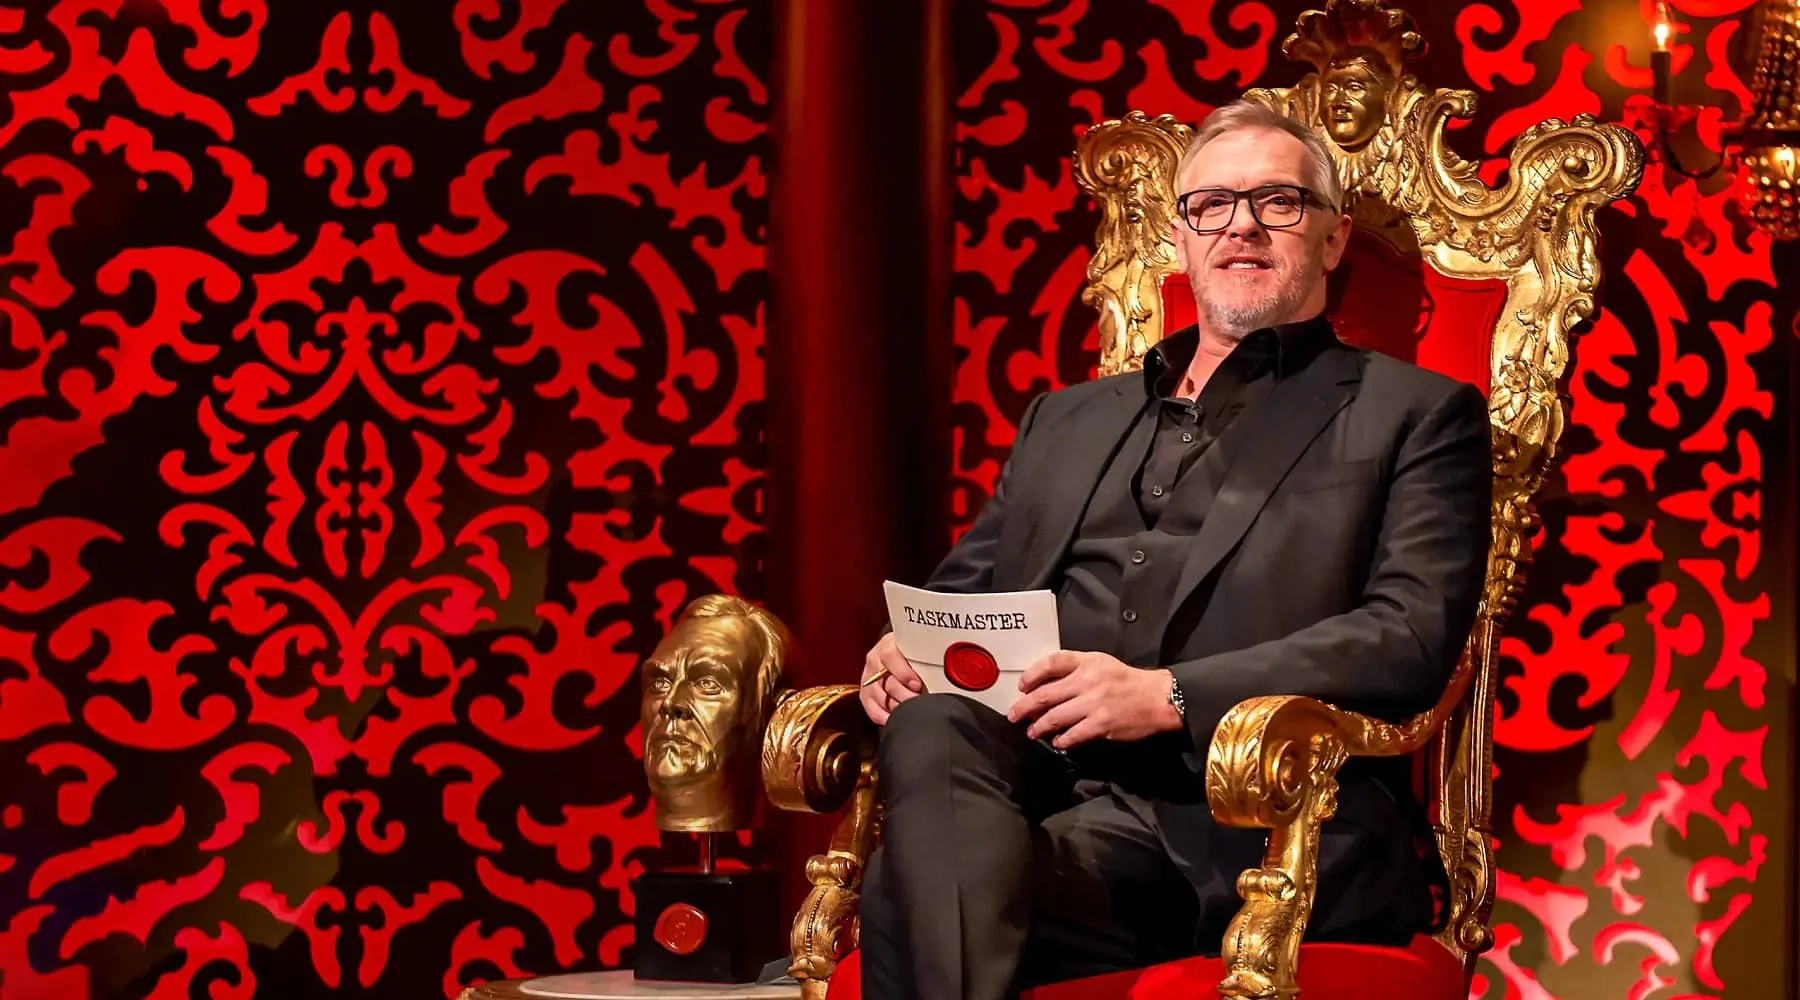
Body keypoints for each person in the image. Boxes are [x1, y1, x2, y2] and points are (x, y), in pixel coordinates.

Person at [854, 99, 1492, 1000]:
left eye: (1278, 201)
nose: (1242, 225)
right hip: (1043, 797)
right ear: (1181, 235)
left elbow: (1409, 635)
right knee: (930, 732)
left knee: (907, 893)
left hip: (1248, 825)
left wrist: (1168, 695)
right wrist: (902, 654)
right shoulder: (1066, 419)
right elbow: (964, 596)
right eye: (1212, 204)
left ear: (1334, 238)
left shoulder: (1416, 416)